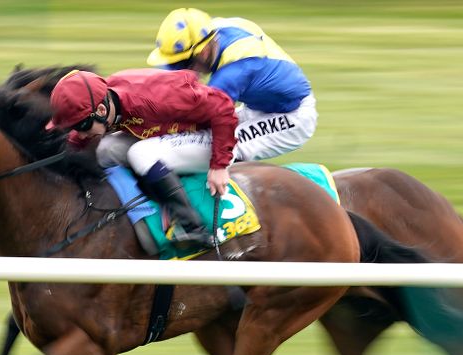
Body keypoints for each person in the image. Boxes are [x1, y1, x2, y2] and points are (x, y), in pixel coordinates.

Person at [46, 68, 238, 249]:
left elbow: (223, 106)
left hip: (213, 136)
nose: (78, 134)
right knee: (105, 149)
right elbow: (75, 143)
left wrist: (219, 164)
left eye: (81, 126)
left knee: (140, 153)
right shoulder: (109, 102)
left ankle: (194, 227)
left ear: (102, 111)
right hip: (169, 136)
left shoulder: (153, 99)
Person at [147, 8, 317, 163]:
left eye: (184, 63)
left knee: (221, 149)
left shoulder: (234, 70)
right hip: (259, 108)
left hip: (293, 117)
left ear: (204, 52)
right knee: (197, 136)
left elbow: (200, 114)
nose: (181, 70)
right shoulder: (211, 32)